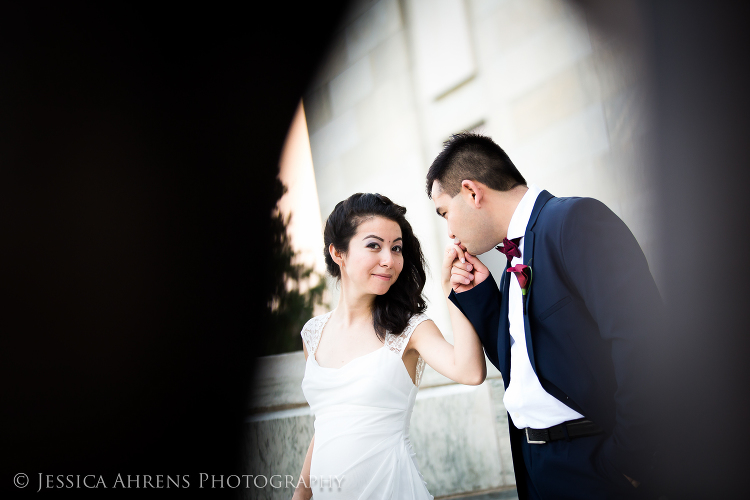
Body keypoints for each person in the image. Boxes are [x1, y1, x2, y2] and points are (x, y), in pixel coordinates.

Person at [427, 133, 663, 500]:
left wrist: (631, 458)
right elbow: (528, 362)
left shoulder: (574, 221)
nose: (450, 231)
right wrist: (478, 295)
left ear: (472, 192)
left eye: (445, 212)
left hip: (596, 462)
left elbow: (643, 339)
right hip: (536, 465)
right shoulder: (510, 263)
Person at [292, 193, 487, 500]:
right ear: (337, 252)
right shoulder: (313, 333)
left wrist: (453, 292)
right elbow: (327, 422)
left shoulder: (410, 330)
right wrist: (301, 495)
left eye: (396, 248)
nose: (390, 259)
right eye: (374, 245)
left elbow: (471, 371)